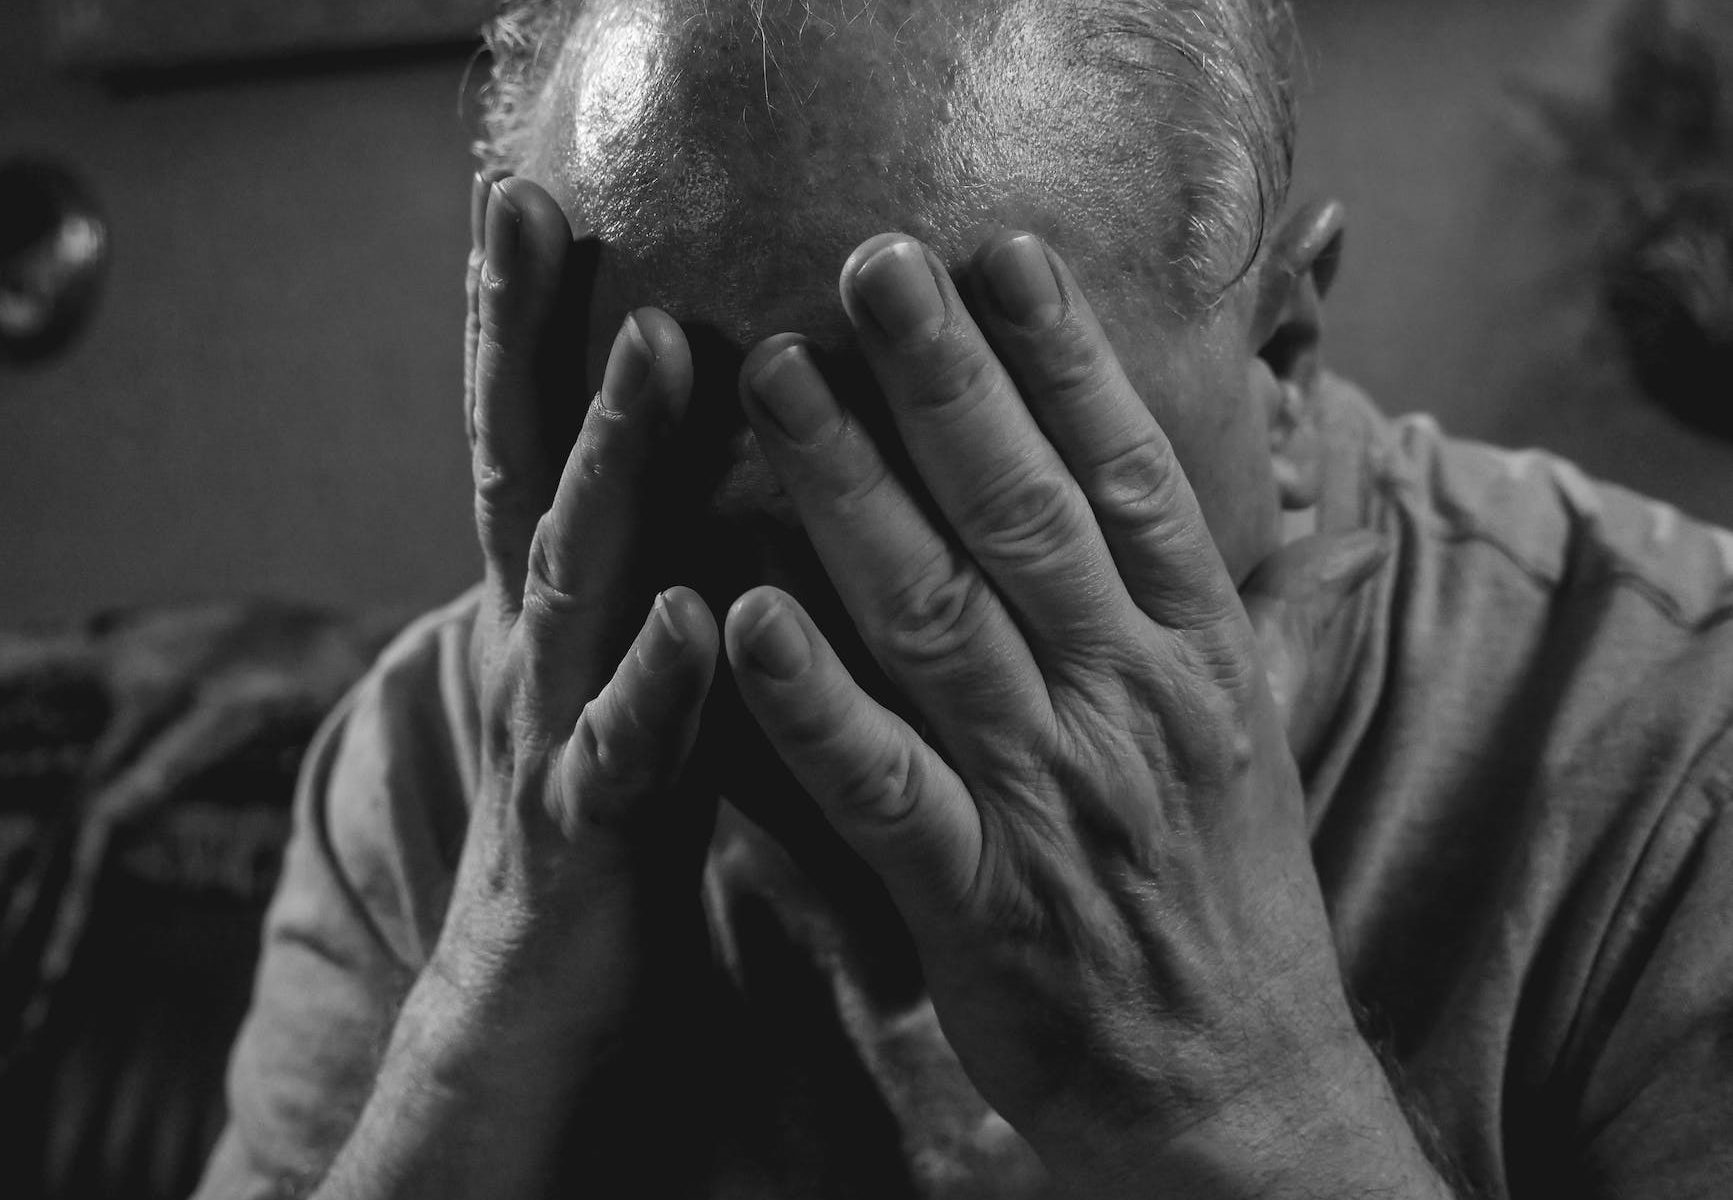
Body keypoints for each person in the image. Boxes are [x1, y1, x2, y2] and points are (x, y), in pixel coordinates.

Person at [194, 1, 1733, 1197]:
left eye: (971, 476)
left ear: (1278, 369)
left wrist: (1240, 1108)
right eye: (687, 488)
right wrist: (479, 1028)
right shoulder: (438, 758)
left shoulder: (1674, 754)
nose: (836, 668)